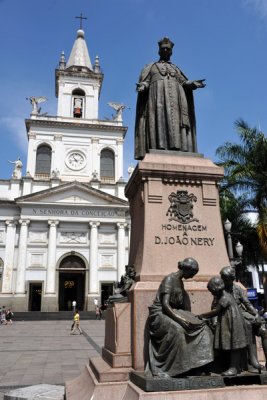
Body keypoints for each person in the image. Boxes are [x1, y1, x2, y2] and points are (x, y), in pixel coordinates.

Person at [134, 37, 205, 160]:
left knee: (177, 123)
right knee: (159, 121)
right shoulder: (151, 67)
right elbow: (146, 82)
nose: (166, 50)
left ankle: (179, 148)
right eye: (163, 49)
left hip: (176, 102)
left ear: (171, 52)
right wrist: (143, 86)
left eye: (168, 49)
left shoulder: (176, 69)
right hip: (157, 101)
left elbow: (184, 82)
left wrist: (192, 84)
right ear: (159, 51)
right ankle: (159, 147)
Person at [148, 257, 214, 378]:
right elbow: (165, 305)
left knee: (203, 328)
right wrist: (180, 320)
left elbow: (183, 306)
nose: (193, 276)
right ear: (187, 269)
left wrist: (193, 318)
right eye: (193, 273)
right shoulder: (169, 279)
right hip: (160, 313)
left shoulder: (180, 282)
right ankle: (172, 368)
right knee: (178, 330)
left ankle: (197, 365)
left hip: (175, 311)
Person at [198, 276, 248, 376]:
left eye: (212, 291)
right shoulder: (224, 295)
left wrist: (202, 315)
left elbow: (216, 311)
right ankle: (229, 366)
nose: (212, 293)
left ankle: (234, 367)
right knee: (230, 344)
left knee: (234, 345)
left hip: (232, 322)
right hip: (229, 320)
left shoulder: (225, 297)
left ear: (217, 289)